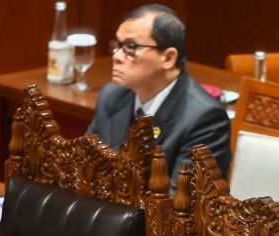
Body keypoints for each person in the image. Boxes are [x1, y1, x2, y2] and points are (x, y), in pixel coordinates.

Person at [88, 4, 231, 181]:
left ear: (168, 58)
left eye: (130, 47)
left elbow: (182, 196)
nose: (116, 56)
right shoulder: (111, 96)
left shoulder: (205, 119)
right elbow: (86, 169)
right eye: (117, 45)